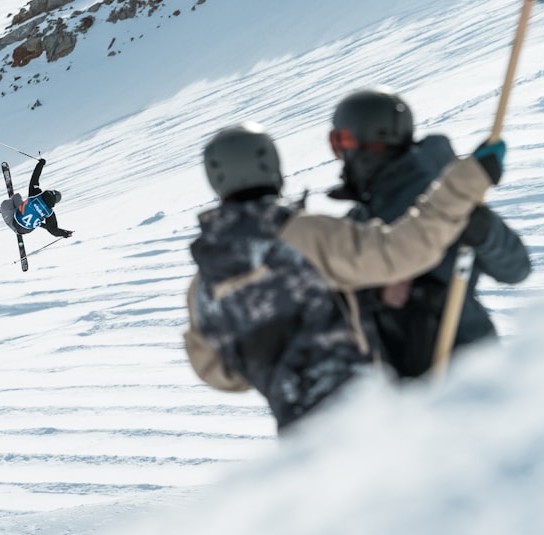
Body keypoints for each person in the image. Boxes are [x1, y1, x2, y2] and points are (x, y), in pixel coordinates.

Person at [183, 121, 505, 432]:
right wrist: (469, 178)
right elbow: (404, 250)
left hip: (303, 445)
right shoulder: (303, 235)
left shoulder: (204, 284)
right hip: (365, 422)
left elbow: (218, 371)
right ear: (271, 165)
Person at [328, 88, 531, 378]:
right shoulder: (361, 217)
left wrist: (486, 233)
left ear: (373, 142)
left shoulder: (444, 198)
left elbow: (517, 268)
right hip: (403, 382)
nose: (341, 155)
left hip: (467, 371)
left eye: (342, 141)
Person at [0, 158, 73, 238]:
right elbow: (53, 230)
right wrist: (64, 234)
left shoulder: (36, 194)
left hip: (14, 223)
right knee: (18, 200)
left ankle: (11, 210)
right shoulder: (49, 213)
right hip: (26, 230)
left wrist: (40, 164)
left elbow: (35, 177)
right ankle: (18, 210)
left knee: (10, 200)